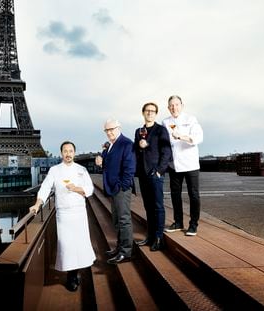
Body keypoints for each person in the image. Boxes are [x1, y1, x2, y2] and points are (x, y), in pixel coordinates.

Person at [30, 141, 95, 291]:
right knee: (66, 245)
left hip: (79, 212)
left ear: (74, 153)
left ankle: (74, 273)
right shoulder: (54, 170)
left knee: (78, 244)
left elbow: (90, 189)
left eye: (70, 151)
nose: (68, 154)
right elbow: (46, 188)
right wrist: (38, 204)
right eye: (65, 151)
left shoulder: (82, 169)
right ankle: (71, 276)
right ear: (61, 153)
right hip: (64, 214)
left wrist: (76, 188)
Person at [95, 118, 136, 264]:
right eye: (106, 130)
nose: (109, 132)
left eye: (112, 129)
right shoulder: (111, 145)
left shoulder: (126, 143)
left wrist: (122, 186)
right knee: (117, 220)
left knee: (124, 219)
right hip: (113, 187)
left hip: (120, 188)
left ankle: (126, 252)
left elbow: (130, 168)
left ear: (119, 128)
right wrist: (100, 160)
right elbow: (107, 162)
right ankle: (119, 248)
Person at [162, 95, 204, 236]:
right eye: (171, 105)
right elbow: (163, 142)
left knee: (194, 195)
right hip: (174, 164)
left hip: (190, 163)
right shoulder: (165, 122)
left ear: (182, 105)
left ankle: (193, 225)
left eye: (177, 104)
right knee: (175, 195)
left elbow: (198, 137)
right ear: (168, 108)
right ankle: (178, 222)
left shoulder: (191, 119)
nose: (174, 108)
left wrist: (181, 136)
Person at [134, 102, 172, 251]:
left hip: (155, 173)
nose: (149, 113)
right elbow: (136, 151)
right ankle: (150, 236)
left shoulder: (161, 130)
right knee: (148, 206)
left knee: (158, 206)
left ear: (156, 114)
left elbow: (166, 152)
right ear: (143, 113)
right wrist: (139, 145)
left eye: (152, 111)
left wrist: (159, 170)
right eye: (147, 111)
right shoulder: (139, 131)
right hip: (143, 174)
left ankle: (158, 237)